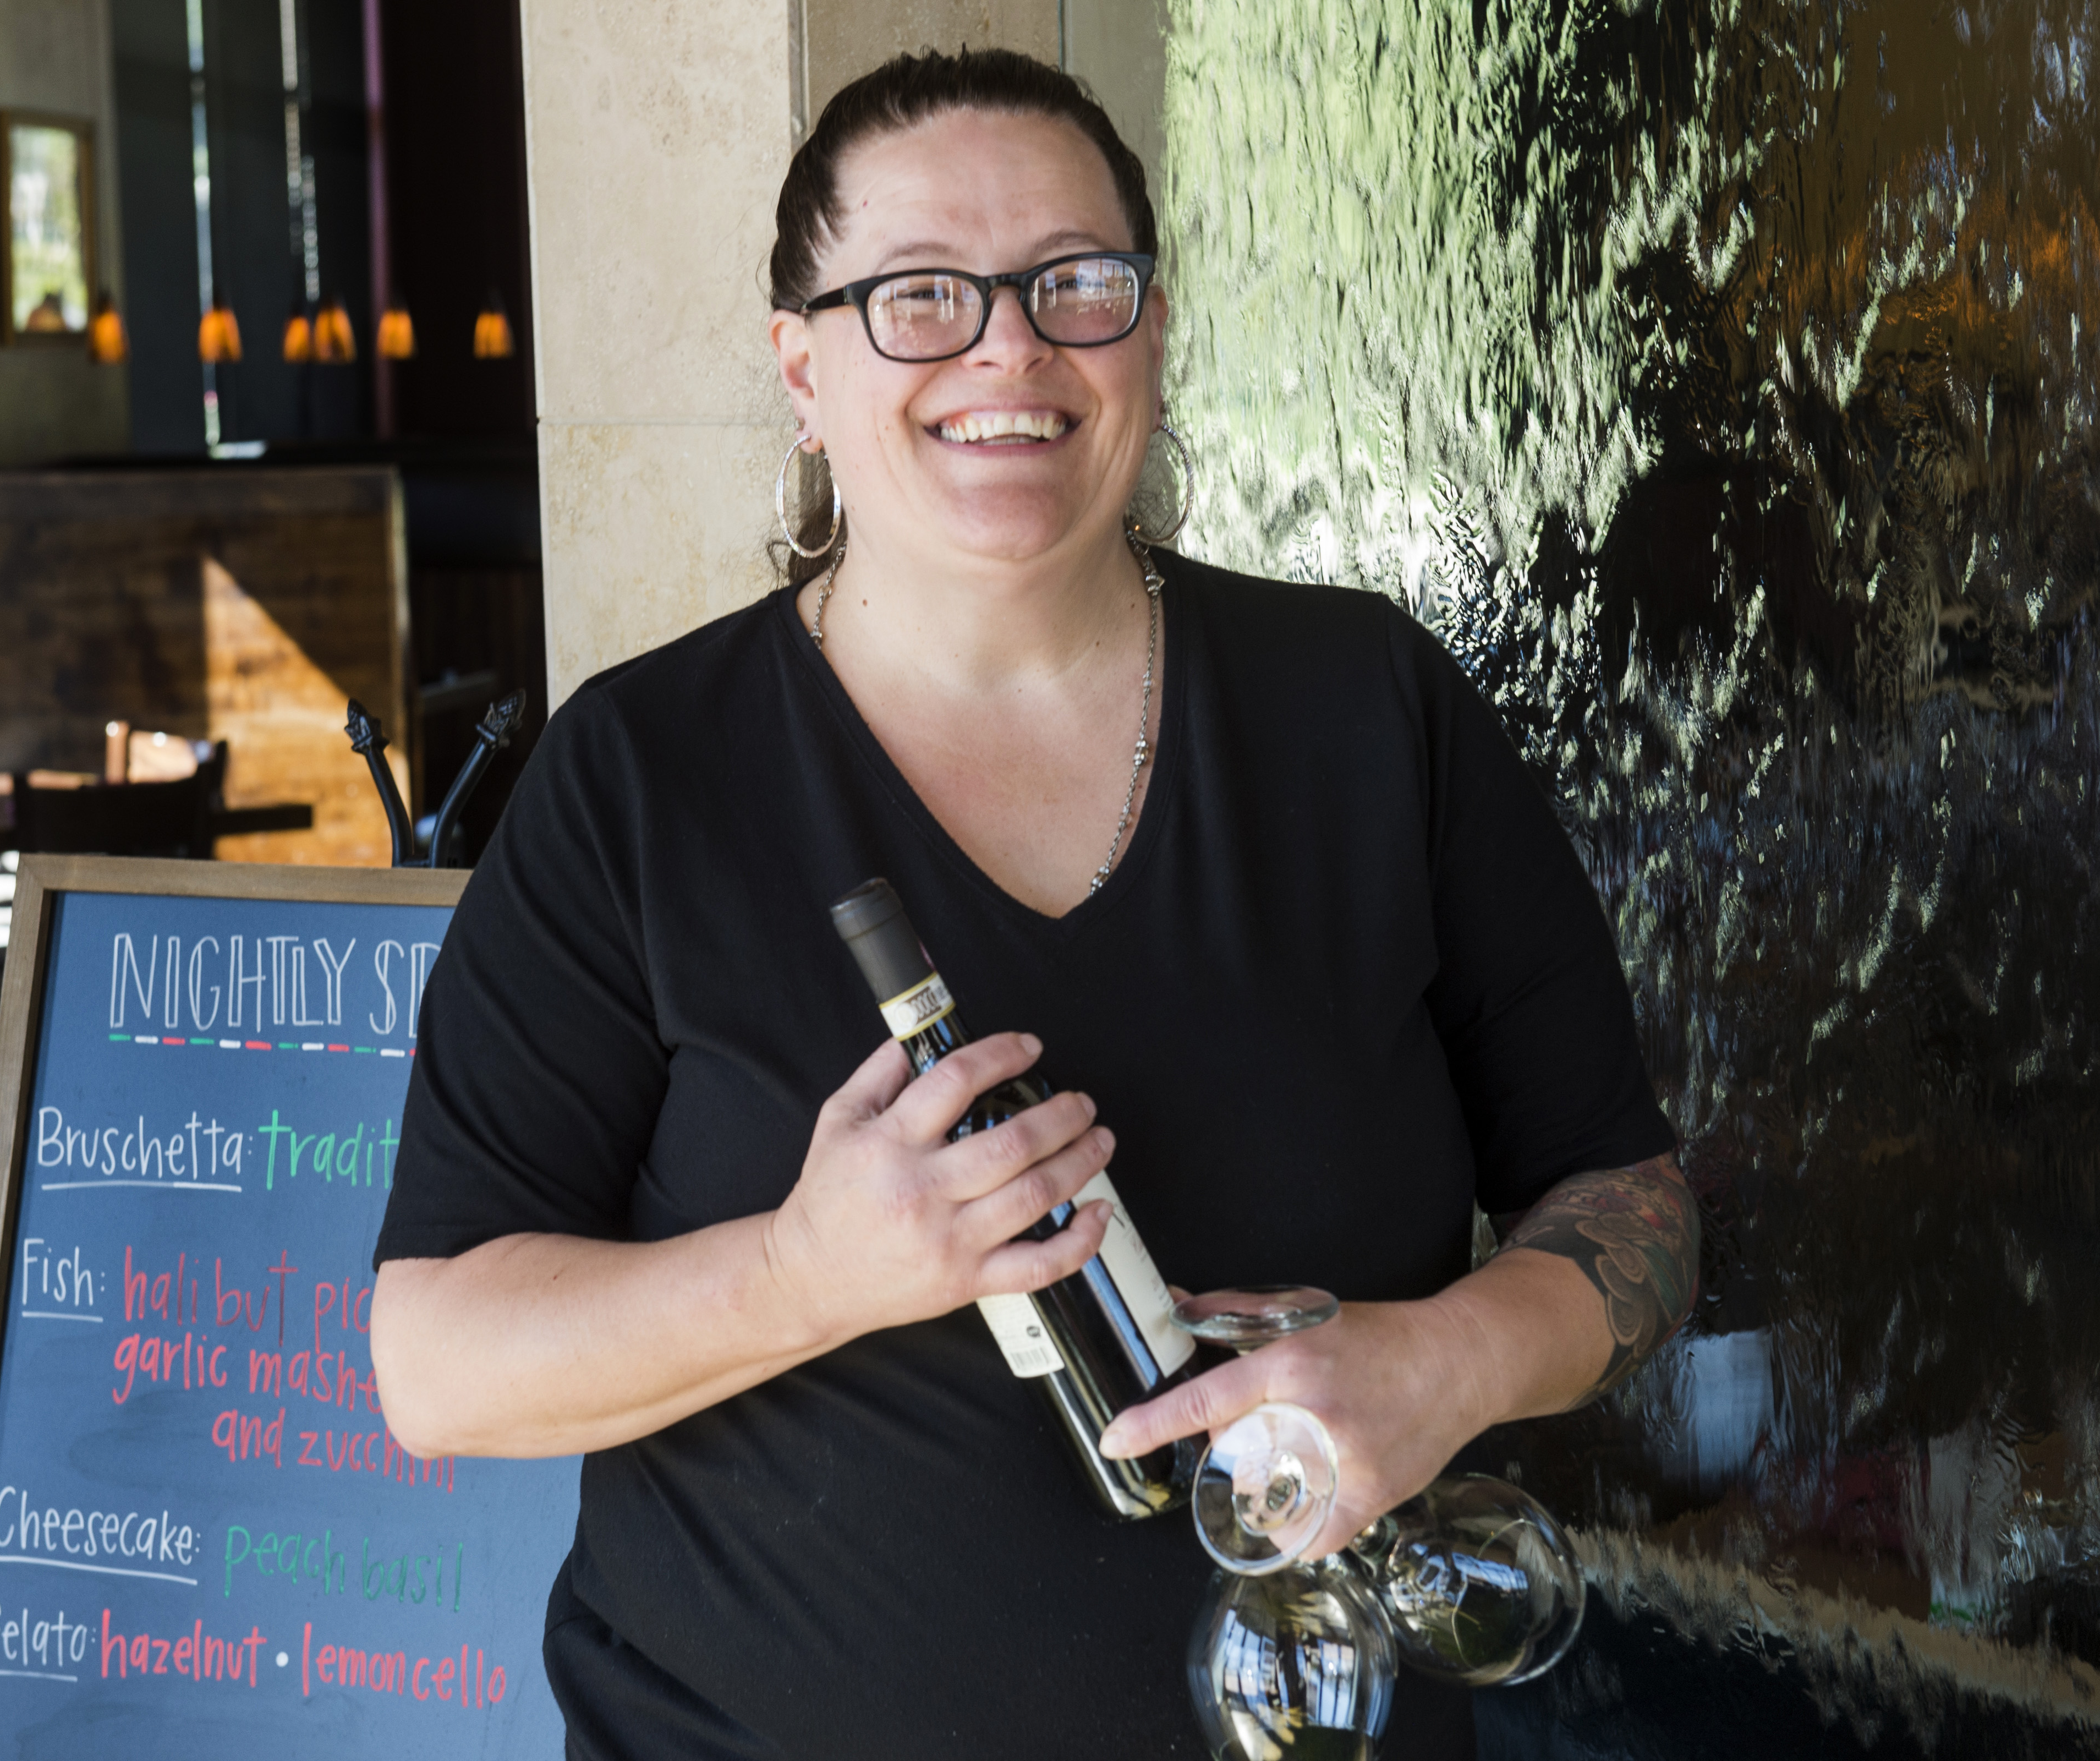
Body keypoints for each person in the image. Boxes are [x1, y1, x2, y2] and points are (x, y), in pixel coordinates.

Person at [370, 47, 1695, 1761]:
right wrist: (805, 1272)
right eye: (919, 295)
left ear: (1147, 330)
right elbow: (438, 1363)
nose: (1008, 347)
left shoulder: (1370, 708)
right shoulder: (637, 775)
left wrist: (1449, 1361)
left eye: (1075, 283)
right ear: (800, 370)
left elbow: (1633, 1204)